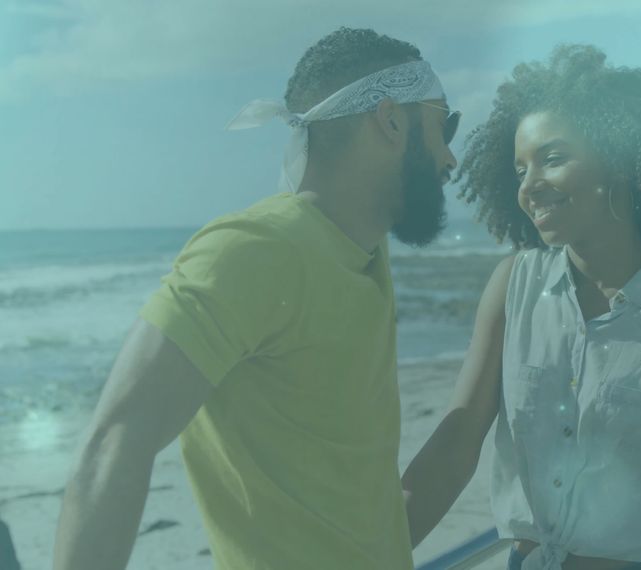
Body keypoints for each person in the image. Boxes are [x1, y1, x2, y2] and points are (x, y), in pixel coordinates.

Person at [53, 27, 459, 570]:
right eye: (444, 125)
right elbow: (114, 444)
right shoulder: (255, 250)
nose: (451, 157)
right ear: (389, 120)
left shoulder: (363, 251)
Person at [403, 45, 641, 570]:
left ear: (622, 158)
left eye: (553, 158)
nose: (529, 186)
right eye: (520, 168)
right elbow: (455, 447)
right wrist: (365, 550)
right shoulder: (512, 285)